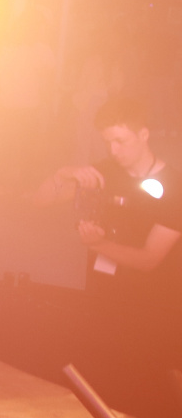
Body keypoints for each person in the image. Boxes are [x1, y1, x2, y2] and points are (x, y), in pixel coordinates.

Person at [34, 95, 182, 302]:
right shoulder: (105, 172)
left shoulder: (174, 187)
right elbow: (39, 201)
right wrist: (62, 175)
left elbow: (149, 260)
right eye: (107, 142)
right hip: (101, 286)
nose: (113, 150)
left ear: (143, 135)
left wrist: (97, 244)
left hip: (150, 298)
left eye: (120, 141)